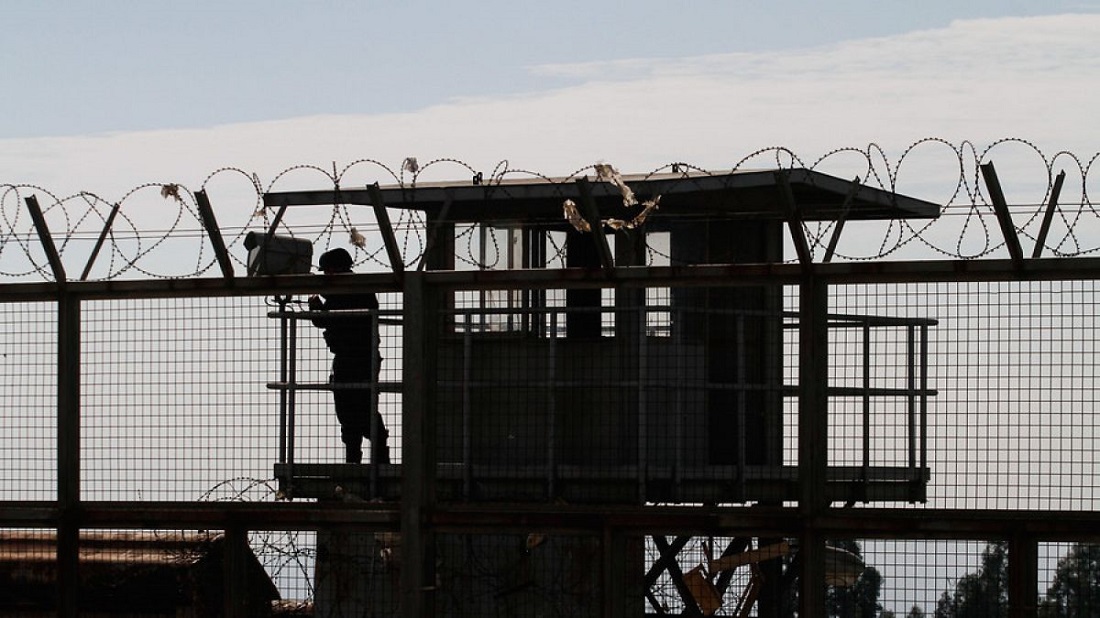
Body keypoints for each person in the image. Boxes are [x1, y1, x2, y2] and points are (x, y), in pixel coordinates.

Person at [308, 248, 389, 464]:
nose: (326, 276)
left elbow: (326, 319)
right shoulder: (356, 288)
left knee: (353, 408)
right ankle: (373, 456)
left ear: (335, 270)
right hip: (359, 358)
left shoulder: (350, 289)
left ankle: (359, 458)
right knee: (358, 407)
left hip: (353, 358)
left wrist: (316, 307)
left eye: (327, 272)